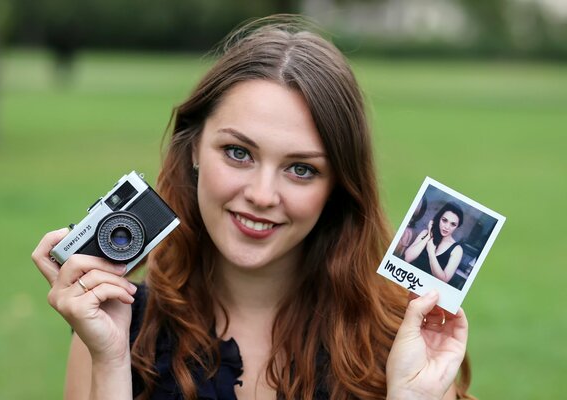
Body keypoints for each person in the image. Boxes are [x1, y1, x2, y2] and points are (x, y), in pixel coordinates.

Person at [32, 16, 472, 400]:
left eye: (301, 169)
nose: (262, 195)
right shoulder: (116, 324)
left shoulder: (403, 338)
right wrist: (110, 362)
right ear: (195, 150)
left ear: (338, 184)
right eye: (238, 153)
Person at [404, 202, 465, 284]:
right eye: (444, 220)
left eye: (453, 224)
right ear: (439, 219)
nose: (447, 227)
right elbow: (407, 258)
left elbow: (444, 280)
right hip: (407, 280)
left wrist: (431, 252)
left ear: (457, 226)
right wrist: (429, 235)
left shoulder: (457, 250)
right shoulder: (425, 233)